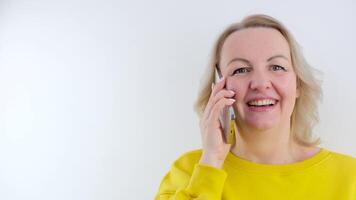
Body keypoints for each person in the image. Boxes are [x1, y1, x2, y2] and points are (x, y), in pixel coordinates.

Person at [155, 14, 356, 199]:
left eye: (277, 67)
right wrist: (211, 162)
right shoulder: (189, 172)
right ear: (218, 88)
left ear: (298, 85)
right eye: (241, 69)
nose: (260, 83)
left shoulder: (349, 177)